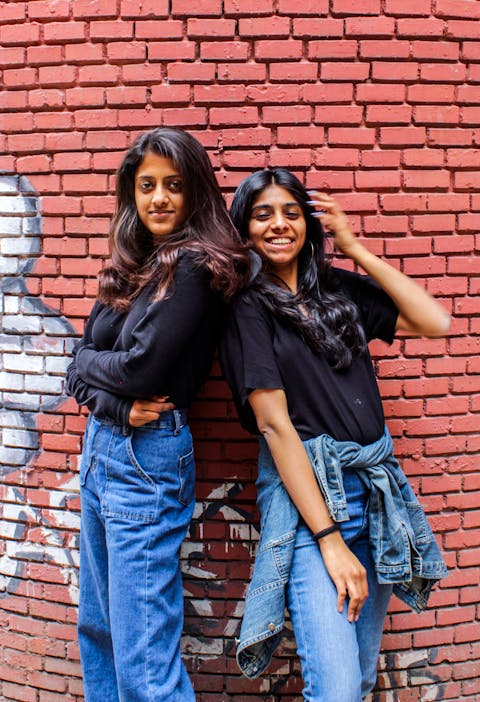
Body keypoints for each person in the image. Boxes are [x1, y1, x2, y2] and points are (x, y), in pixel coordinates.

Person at [219, 168, 450, 701]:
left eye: (291, 213)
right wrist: (329, 541)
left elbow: (433, 321)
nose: (279, 225)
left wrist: (353, 249)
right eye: (263, 215)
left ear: (308, 223)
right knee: (339, 689)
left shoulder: (336, 290)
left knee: (362, 677)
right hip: (311, 507)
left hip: (374, 496)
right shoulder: (246, 306)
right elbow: (276, 426)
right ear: (245, 228)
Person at [65, 127, 248, 702]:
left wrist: (100, 371)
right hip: (102, 452)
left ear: (195, 192)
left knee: (143, 659)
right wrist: (114, 399)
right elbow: (77, 366)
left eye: (174, 185)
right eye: (147, 186)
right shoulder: (134, 262)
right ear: (131, 193)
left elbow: (141, 370)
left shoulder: (194, 267)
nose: (159, 199)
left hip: (146, 462)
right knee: (99, 632)